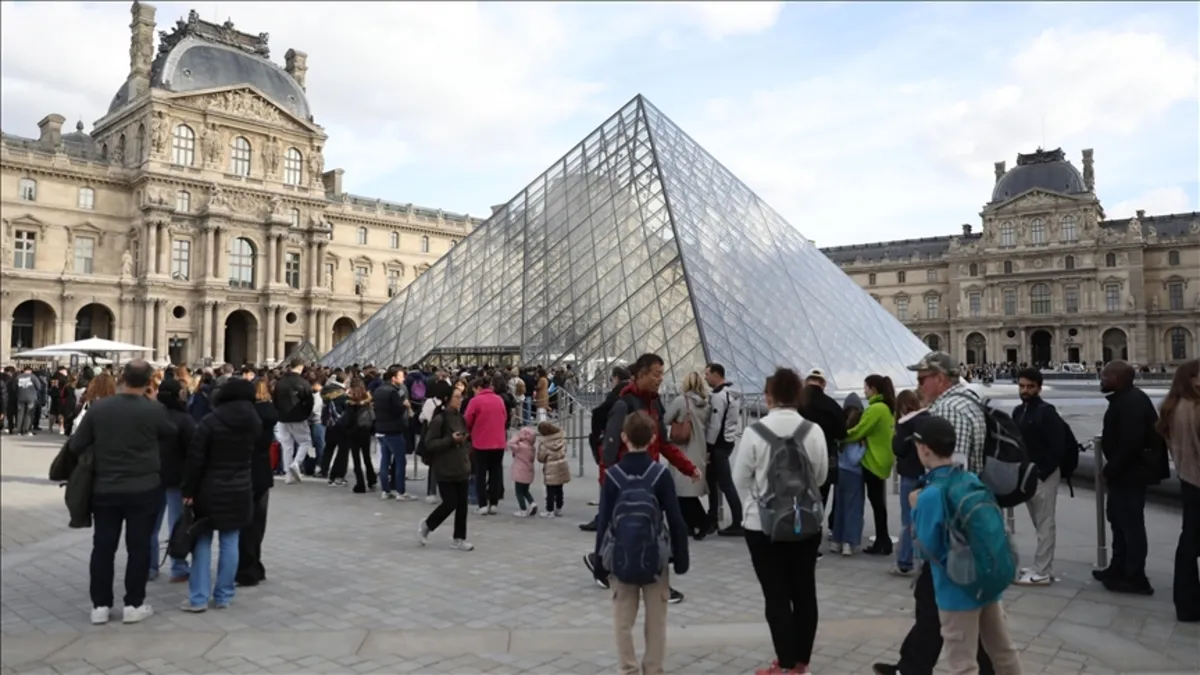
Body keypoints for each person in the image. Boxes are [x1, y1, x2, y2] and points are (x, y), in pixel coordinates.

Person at [909, 416, 1024, 675]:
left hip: (956, 589)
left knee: (962, 663)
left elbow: (926, 548)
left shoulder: (930, 494)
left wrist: (915, 510)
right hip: (987, 581)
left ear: (924, 448)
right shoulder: (970, 479)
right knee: (1003, 652)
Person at [733, 368, 828, 675]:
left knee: (776, 596)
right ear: (798, 395)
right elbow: (821, 476)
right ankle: (801, 663)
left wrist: (759, 501)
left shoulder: (755, 432)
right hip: (806, 522)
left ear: (768, 396)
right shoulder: (812, 431)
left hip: (763, 526)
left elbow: (739, 479)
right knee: (804, 592)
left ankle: (784, 664)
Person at [586, 353, 701, 604]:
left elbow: (664, 443)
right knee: (639, 532)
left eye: (662, 373)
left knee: (647, 531)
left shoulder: (655, 404)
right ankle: (615, 568)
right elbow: (609, 448)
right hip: (625, 482)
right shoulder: (623, 405)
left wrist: (688, 467)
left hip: (650, 479)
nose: (660, 379)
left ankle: (602, 562)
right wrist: (609, 482)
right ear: (640, 375)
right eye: (655, 374)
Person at [69, 360, 174, 625]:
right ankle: (133, 604)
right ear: (150, 382)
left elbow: (77, 444)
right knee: (138, 548)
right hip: (143, 488)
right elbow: (172, 434)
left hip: (105, 487)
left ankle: (100, 606)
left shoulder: (100, 408)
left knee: (103, 547)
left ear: (122, 378)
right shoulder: (154, 411)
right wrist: (154, 403)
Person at [594, 411, 689, 675]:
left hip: (621, 556)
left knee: (623, 620)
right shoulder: (659, 475)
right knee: (656, 621)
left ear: (624, 437)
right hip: (656, 558)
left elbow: (603, 522)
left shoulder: (612, 476)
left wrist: (599, 560)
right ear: (653, 439)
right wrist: (681, 556)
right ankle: (653, 668)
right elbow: (676, 518)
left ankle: (628, 668)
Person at [181, 378, 259, 612]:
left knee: (202, 541)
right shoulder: (254, 421)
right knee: (231, 541)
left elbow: (196, 460)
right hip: (240, 487)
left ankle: (198, 598)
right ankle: (224, 595)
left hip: (209, 488)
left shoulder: (210, 421)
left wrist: (188, 490)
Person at [1096, 360, 1170, 595]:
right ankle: (1118, 567)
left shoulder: (1132, 403)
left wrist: (1110, 470)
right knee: (1118, 521)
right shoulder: (1128, 399)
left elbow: (1130, 444)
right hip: (1126, 473)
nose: (1101, 379)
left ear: (1117, 379)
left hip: (1131, 474)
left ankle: (1136, 577)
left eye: (1105, 376)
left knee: (1131, 525)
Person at [1011, 368, 1067, 585]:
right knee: (1038, 522)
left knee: (1045, 523)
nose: (1025, 390)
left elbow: (1057, 447)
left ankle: (1042, 571)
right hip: (1028, 475)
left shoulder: (1047, 412)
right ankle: (1041, 565)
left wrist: (1042, 473)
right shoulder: (1018, 411)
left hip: (1043, 475)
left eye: (1030, 386)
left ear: (1039, 388)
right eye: (1022, 386)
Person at [1156, 359, 1199, 621]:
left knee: (1188, 542)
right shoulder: (1195, 408)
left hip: (1186, 478)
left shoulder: (1172, 407)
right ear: (1193, 378)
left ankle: (1185, 601)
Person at [844, 374, 896, 556]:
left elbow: (859, 431)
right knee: (878, 503)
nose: (864, 391)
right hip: (883, 459)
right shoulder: (887, 407)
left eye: (865, 387)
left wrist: (840, 436)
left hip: (873, 461)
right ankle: (883, 540)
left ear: (873, 389)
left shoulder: (876, 409)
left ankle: (883, 541)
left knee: (876, 504)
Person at [150, 379, 196, 583]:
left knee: (151, 526)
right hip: (177, 479)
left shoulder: (150, 416)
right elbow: (193, 451)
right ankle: (178, 567)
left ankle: (149, 567)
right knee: (177, 524)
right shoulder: (185, 419)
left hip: (152, 476)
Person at [418, 387, 474, 550]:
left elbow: (467, 436)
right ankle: (427, 525)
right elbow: (430, 443)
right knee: (450, 503)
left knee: (462, 505)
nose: (460, 399)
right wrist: (450, 440)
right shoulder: (439, 420)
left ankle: (459, 538)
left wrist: (465, 446)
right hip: (445, 467)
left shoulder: (460, 418)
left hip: (461, 465)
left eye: (461, 396)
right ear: (447, 399)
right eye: (457, 397)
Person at [237, 377, 278, 587]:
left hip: (242, 472)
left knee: (242, 523)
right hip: (263, 473)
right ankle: (255, 565)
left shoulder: (242, 416)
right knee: (258, 524)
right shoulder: (270, 414)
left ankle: (243, 567)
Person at [663, 371, 711, 538]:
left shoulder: (681, 401)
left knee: (683, 493)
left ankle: (702, 523)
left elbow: (666, 419)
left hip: (684, 449)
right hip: (700, 449)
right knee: (687, 492)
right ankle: (690, 526)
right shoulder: (706, 403)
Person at [704, 363, 744, 536]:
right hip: (727, 441)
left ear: (716, 375)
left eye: (707, 374)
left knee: (723, 483)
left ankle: (736, 521)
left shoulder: (719, 397)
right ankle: (714, 517)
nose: (705, 378)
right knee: (716, 481)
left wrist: (708, 447)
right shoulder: (732, 394)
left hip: (718, 445)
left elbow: (714, 425)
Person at [891, 389, 926, 576]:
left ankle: (905, 562)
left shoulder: (906, 423)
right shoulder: (927, 417)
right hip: (927, 473)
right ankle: (924, 561)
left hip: (910, 474)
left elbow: (898, 449)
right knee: (923, 518)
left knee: (908, 519)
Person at [464, 376, 509, 514]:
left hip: (481, 442)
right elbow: (505, 417)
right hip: (498, 442)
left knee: (480, 473)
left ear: (479, 388)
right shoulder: (499, 400)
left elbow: (467, 419)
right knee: (495, 473)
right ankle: (494, 503)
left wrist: (471, 431)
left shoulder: (475, 401)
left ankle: (482, 504)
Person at [373, 366, 413, 500]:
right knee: (400, 461)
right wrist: (405, 406)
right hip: (393, 430)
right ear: (393, 378)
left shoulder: (378, 390)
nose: (403, 378)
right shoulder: (394, 392)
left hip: (380, 429)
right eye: (401, 376)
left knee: (385, 461)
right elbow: (396, 410)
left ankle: (385, 490)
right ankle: (400, 492)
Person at [273, 358, 315, 484]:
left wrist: (279, 413)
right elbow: (309, 402)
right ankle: (296, 464)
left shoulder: (280, 382)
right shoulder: (303, 382)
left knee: (287, 446)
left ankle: (288, 475)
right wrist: (305, 414)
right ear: (301, 367)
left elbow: (275, 399)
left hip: (282, 418)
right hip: (298, 417)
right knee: (305, 442)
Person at [537, 420, 570, 516]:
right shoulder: (561, 439)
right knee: (559, 489)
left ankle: (549, 510)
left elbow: (541, 458)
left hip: (550, 468)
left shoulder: (544, 443)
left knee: (550, 490)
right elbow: (565, 451)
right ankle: (559, 508)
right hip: (561, 466)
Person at [508, 426, 539, 517]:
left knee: (519, 492)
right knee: (525, 490)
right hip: (528, 471)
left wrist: (517, 436)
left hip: (519, 472)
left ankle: (523, 509)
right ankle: (532, 503)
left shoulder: (520, 446)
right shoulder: (532, 448)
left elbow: (510, 444)